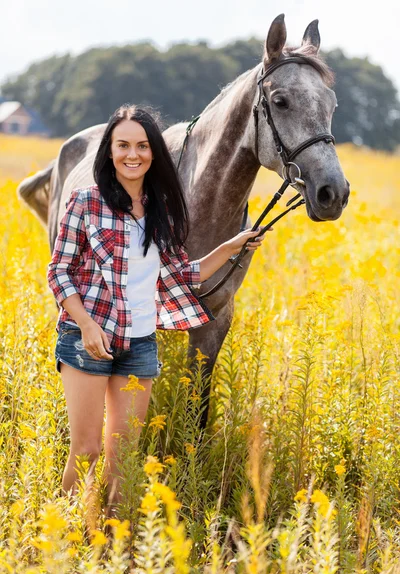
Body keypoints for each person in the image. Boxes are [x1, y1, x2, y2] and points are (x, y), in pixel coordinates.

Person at [47, 103, 267, 513]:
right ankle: (63, 540)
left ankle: (109, 543)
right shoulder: (85, 201)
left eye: (143, 146)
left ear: (154, 154)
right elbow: (59, 273)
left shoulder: (161, 211)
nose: (133, 154)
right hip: (86, 341)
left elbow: (183, 273)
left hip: (140, 348)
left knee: (122, 459)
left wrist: (232, 246)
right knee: (87, 449)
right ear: (109, 151)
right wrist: (86, 325)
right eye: (123, 145)